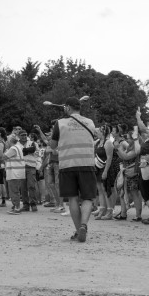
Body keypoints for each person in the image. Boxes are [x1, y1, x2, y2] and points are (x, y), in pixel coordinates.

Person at [50, 97, 99, 242]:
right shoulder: (90, 122)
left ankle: (78, 231)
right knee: (88, 197)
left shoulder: (60, 123)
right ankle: (84, 224)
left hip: (68, 165)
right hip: (87, 164)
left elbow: (52, 145)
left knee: (72, 198)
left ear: (68, 108)